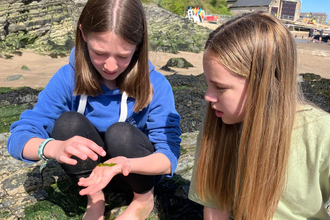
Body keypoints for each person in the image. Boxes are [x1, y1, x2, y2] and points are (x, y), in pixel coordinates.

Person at [7, 0, 181, 219]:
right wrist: (53, 148)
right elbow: (18, 137)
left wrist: (125, 163)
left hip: (133, 172)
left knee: (121, 133)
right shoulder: (67, 78)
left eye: (122, 56)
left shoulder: (157, 85)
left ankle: (143, 199)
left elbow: (169, 156)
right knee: (68, 122)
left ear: (138, 45)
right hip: (89, 177)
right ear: (83, 35)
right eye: (100, 53)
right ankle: (95, 198)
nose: (110, 66)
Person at [188, 12, 330, 220]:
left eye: (219, 87)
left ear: (267, 84)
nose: (208, 97)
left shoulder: (321, 134)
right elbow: (215, 205)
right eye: (208, 84)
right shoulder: (217, 124)